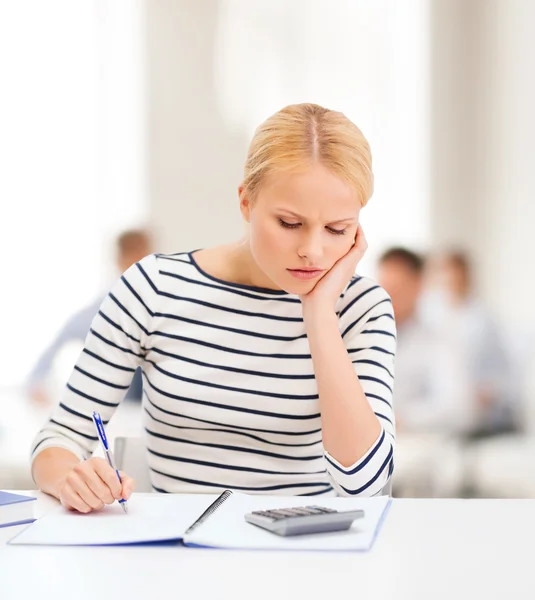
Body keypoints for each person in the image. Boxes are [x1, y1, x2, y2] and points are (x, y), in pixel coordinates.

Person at [31, 103, 396, 513]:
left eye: (337, 230)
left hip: (305, 557)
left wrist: (319, 315)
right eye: (290, 223)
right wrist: (71, 479)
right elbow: (59, 438)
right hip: (177, 557)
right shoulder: (154, 288)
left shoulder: (362, 308)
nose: (312, 251)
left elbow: (363, 481)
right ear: (245, 202)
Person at [25, 229, 153, 406]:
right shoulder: (99, 311)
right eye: (132, 255)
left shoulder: (167, 309)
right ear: (118, 260)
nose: (137, 262)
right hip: (119, 414)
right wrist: (36, 385)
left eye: (143, 255)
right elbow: (48, 357)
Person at [377, 247, 473, 433]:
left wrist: (400, 418)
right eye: (382, 288)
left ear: (418, 286)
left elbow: (457, 407)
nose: (387, 298)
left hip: (415, 446)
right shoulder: (361, 338)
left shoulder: (438, 341)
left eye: (396, 289)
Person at [421, 250, 516, 437]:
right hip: (437, 407)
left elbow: (503, 373)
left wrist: (488, 391)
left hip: (475, 408)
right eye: (445, 273)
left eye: (456, 274)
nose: (450, 280)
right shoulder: (430, 314)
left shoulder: (483, 320)